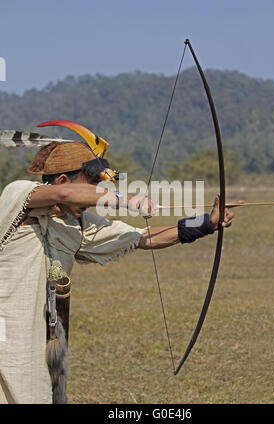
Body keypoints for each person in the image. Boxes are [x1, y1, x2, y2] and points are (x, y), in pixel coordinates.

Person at [0, 140, 234, 404]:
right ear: (63, 180)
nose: (96, 193)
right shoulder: (19, 195)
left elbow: (144, 237)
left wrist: (206, 223)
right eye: (91, 184)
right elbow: (63, 195)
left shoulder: (77, 225)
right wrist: (125, 199)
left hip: (34, 342)